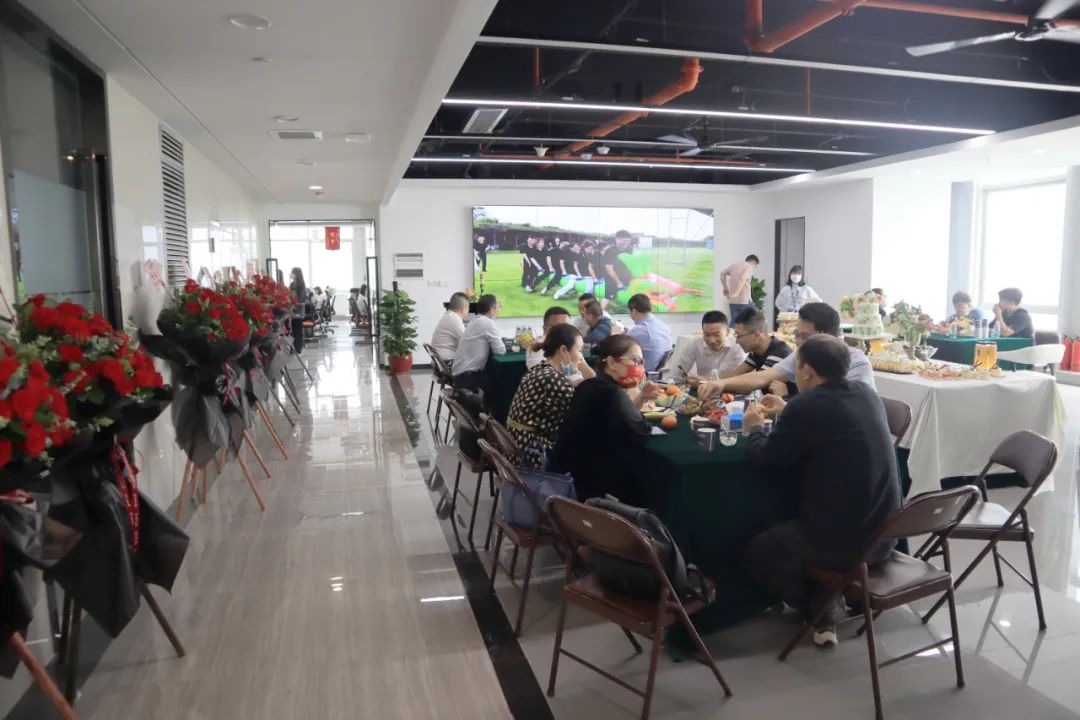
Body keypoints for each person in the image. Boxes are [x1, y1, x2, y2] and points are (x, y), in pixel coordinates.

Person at [741, 335, 900, 646]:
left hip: (844, 543)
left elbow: (768, 461)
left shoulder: (807, 406)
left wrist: (754, 428)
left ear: (807, 371)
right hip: (886, 532)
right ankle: (826, 596)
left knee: (758, 552)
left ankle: (819, 605)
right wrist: (789, 409)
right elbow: (831, 423)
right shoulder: (866, 394)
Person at [548, 334, 662, 505]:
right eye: (635, 360)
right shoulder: (614, 394)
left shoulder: (588, 385)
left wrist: (642, 396)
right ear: (611, 362)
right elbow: (640, 430)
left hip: (570, 483)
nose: (640, 367)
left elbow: (624, 417)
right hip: (600, 490)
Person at [700, 303, 875, 399]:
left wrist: (787, 403)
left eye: (804, 336)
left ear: (828, 337)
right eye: (796, 334)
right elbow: (763, 377)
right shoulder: (803, 354)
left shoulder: (857, 364)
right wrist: (721, 384)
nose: (797, 341)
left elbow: (836, 407)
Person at [507, 324, 587, 468]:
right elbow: (582, 418)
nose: (581, 357)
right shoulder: (554, 380)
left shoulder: (541, 369)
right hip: (534, 456)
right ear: (563, 350)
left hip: (518, 448)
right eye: (579, 350)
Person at [670, 311, 747, 386]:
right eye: (707, 335)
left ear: (727, 331)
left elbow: (742, 378)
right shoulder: (695, 344)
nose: (712, 340)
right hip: (702, 390)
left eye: (716, 335)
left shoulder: (737, 345)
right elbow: (676, 375)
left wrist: (706, 381)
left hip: (731, 389)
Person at [451, 294, 506, 397]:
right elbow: (500, 351)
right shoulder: (488, 323)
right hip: (468, 379)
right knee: (502, 384)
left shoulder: (474, 321)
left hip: (459, 376)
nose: (498, 310)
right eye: (497, 307)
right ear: (491, 310)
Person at [723, 307, 792, 380]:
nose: (736, 341)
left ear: (756, 335)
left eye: (738, 336)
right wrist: (716, 382)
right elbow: (735, 374)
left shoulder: (779, 352)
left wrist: (721, 383)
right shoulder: (756, 351)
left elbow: (757, 381)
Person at [625, 293, 673, 373]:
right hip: (662, 372)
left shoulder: (636, 332)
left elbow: (621, 345)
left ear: (634, 311)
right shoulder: (664, 326)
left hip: (646, 372)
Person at [721, 254, 759, 326]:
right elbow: (742, 278)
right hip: (743, 300)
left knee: (734, 321)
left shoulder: (734, 266)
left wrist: (725, 288)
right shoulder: (749, 267)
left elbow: (722, 273)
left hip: (732, 300)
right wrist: (736, 293)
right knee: (755, 319)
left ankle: (730, 333)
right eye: (755, 267)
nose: (754, 268)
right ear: (754, 263)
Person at [431, 292, 469, 362]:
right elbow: (466, 342)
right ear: (464, 309)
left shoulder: (448, 315)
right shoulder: (455, 319)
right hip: (447, 360)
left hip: (440, 359)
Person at [600, 231, 634, 310]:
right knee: (608, 297)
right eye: (624, 241)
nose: (626, 243)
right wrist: (618, 283)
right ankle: (600, 313)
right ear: (617, 240)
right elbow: (609, 269)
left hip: (626, 277)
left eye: (628, 241)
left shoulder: (630, 249)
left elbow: (631, 262)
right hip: (611, 278)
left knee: (628, 294)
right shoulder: (610, 251)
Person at [288, 267, 307, 353]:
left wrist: (293, 303)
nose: (290, 274)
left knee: (298, 330)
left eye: (292, 272)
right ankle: (293, 348)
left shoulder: (301, 285)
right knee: (293, 330)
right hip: (292, 310)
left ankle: (298, 349)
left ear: (296, 274)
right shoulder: (292, 284)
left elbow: (301, 299)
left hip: (298, 311)